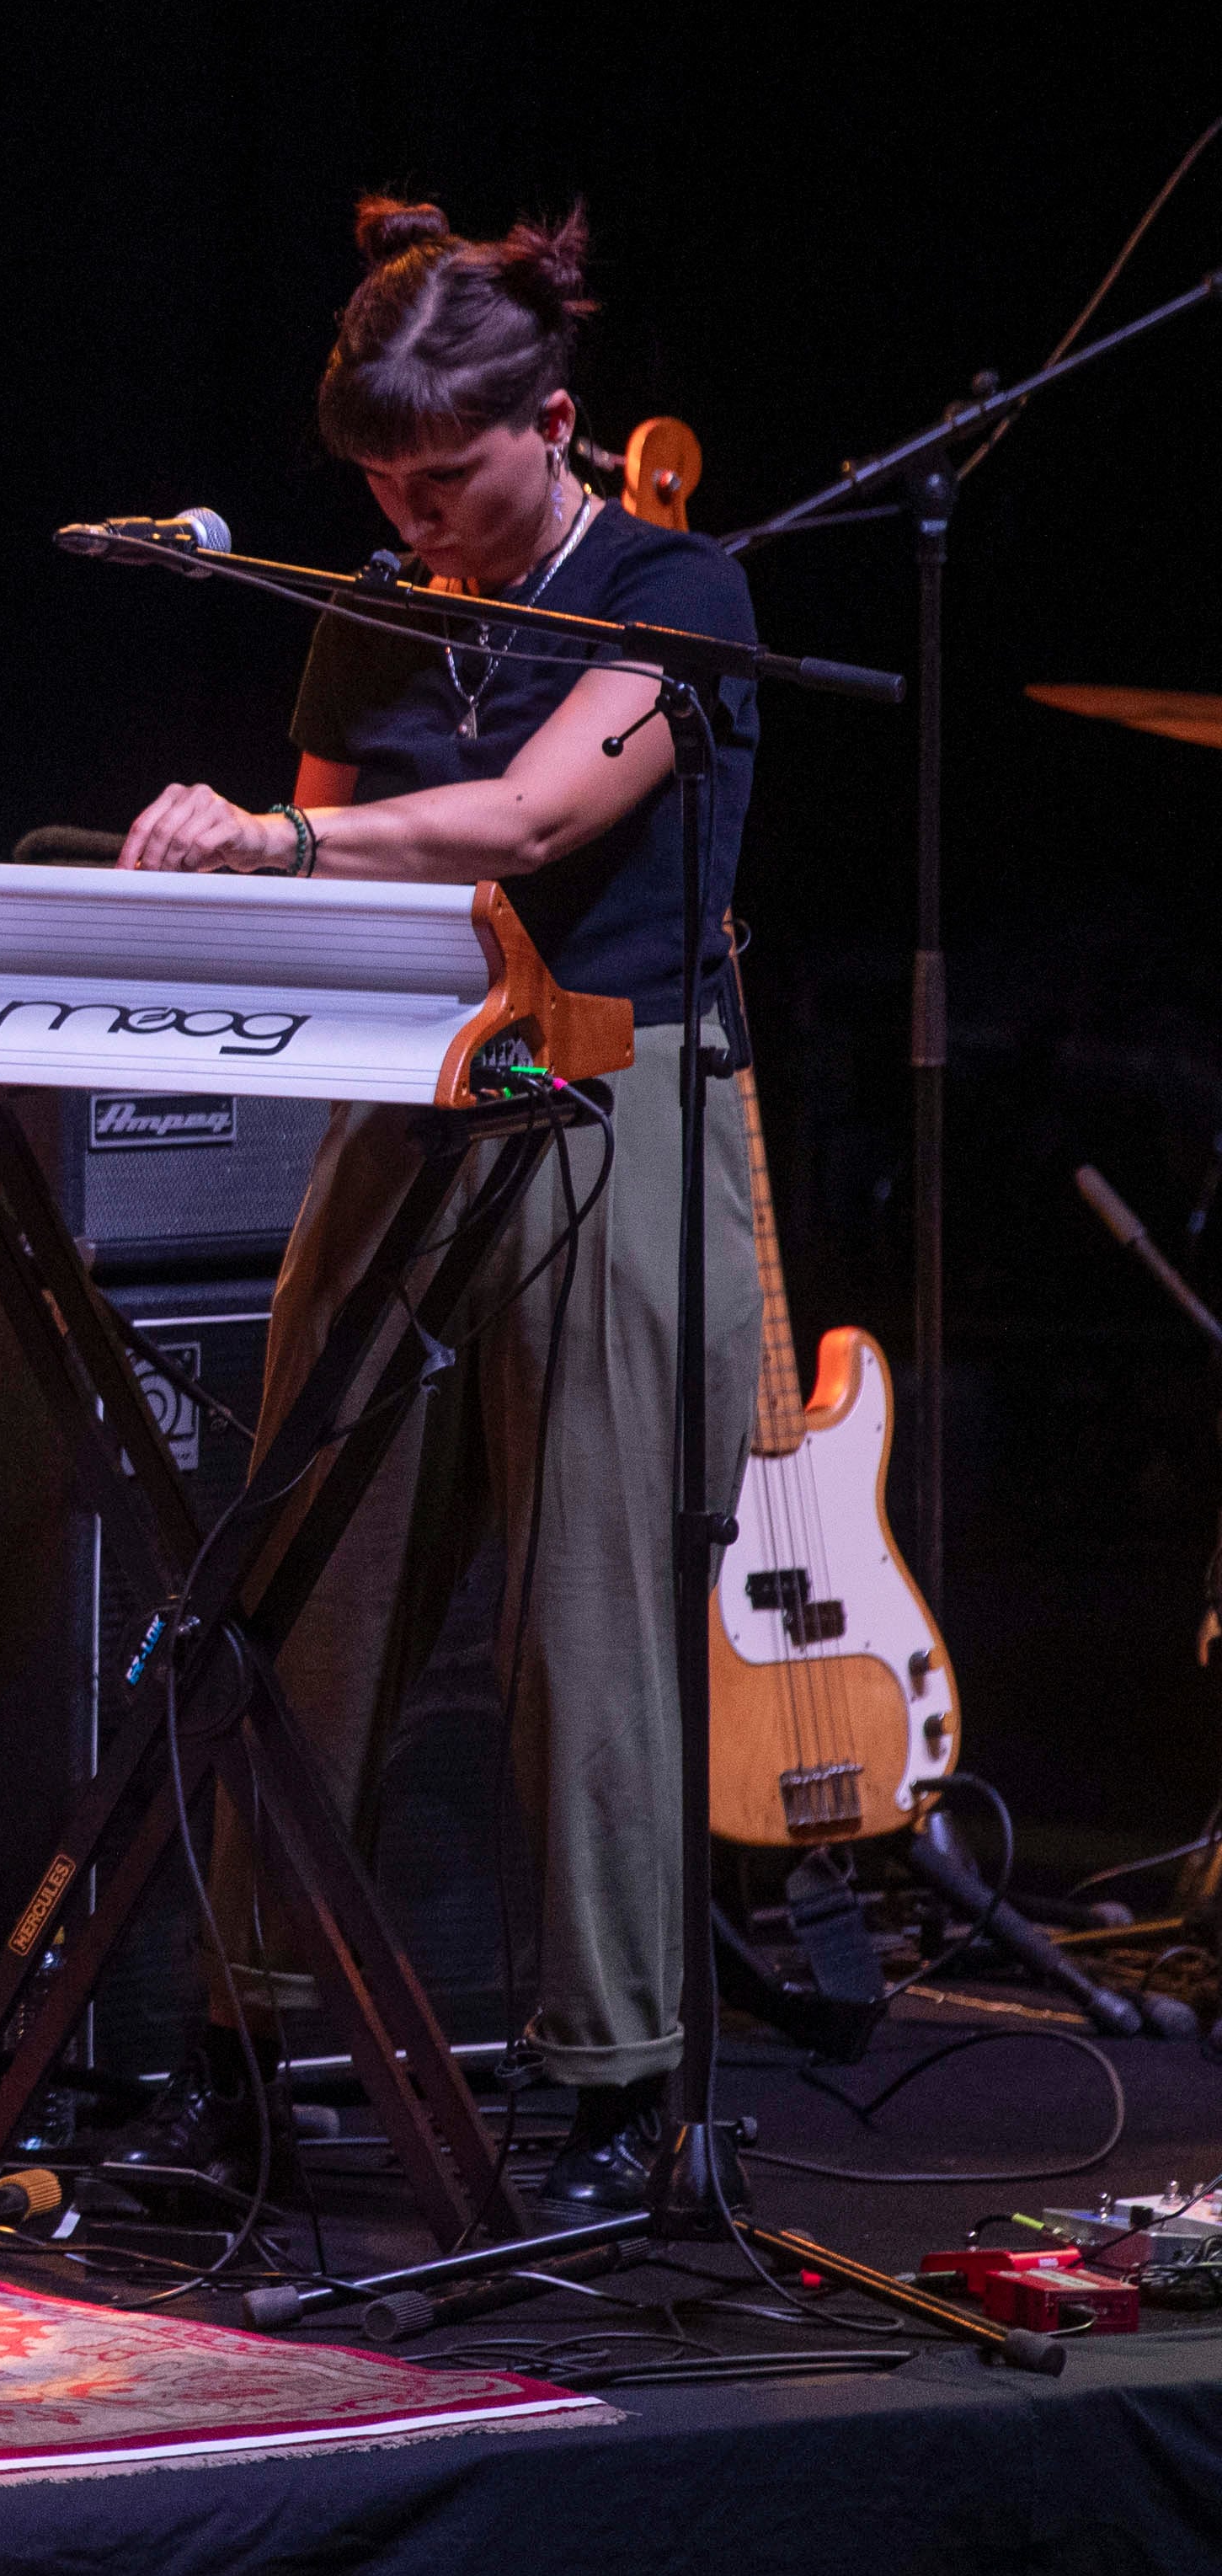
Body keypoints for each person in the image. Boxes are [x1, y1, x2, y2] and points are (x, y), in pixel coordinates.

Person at [106, 196, 762, 2220]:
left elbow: (538, 811)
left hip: (610, 1097)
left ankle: (612, 2093)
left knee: (584, 1608)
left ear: (551, 425)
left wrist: (282, 835)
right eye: (383, 488)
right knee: (301, 1576)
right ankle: (234, 2045)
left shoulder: (677, 588)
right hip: (407, 1104)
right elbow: (345, 891)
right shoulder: (371, 601)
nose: (417, 522)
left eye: (449, 480)